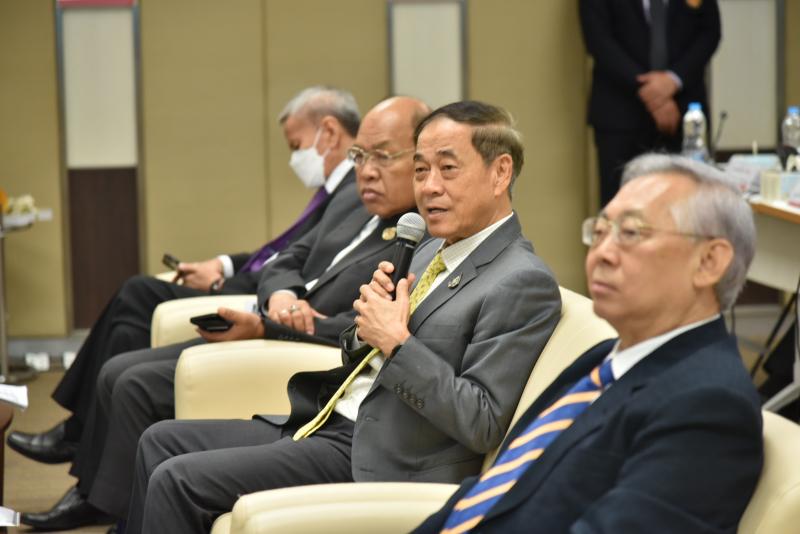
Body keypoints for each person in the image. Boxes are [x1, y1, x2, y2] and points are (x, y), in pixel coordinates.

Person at [124, 100, 562, 533]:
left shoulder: (521, 281)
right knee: (159, 439)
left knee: (178, 480)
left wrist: (397, 343)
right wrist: (365, 325)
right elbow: (361, 347)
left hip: (378, 458)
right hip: (326, 419)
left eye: (447, 169)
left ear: (500, 172)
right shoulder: (429, 247)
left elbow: (482, 421)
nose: (429, 187)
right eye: (420, 169)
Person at [19, 96, 430, 532]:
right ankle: (93, 476)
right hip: (268, 322)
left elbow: (363, 329)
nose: (366, 171)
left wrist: (273, 323)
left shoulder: (414, 242)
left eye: (383, 156)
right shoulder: (352, 201)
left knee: (132, 381)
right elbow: (286, 258)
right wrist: (282, 294)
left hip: (298, 349)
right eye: (360, 156)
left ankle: (98, 494)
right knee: (123, 356)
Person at [7, 85, 362, 464]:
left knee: (136, 294)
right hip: (263, 292)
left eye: (295, 146)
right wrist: (222, 265)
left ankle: (78, 435)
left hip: (268, 309)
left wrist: (224, 283)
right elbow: (287, 253)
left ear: (329, 132)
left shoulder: (356, 192)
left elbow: (299, 264)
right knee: (127, 330)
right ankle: (83, 446)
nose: (294, 159)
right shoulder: (337, 192)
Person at [414, 153, 763, 533]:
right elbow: (493, 492)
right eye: (600, 231)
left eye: (631, 233)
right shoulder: (602, 362)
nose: (602, 253)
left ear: (709, 261)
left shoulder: (708, 405)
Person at [579, 0, 721, 206]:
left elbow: (710, 32)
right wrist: (653, 92)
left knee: (684, 206)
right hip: (620, 114)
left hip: (683, 113)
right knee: (620, 206)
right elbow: (598, 39)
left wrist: (673, 80)